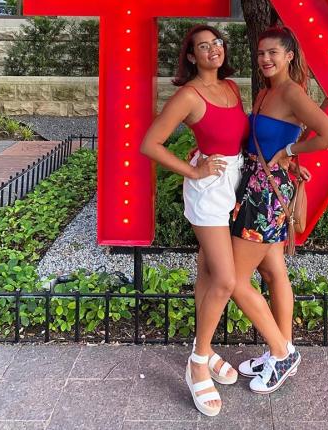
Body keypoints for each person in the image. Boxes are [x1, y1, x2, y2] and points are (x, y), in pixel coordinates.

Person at [140, 25, 249, 417]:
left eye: (216, 43)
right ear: (190, 56)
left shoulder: (232, 88)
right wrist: (195, 171)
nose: (212, 50)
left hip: (234, 185)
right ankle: (199, 361)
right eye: (202, 46)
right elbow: (149, 144)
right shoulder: (188, 95)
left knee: (207, 271)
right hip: (208, 192)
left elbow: (235, 138)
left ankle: (203, 347)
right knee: (225, 279)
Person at [230, 26, 328, 394]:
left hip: (266, 194)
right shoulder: (265, 92)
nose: (265, 58)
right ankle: (284, 350)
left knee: (232, 280)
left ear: (289, 56)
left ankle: (282, 353)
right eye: (261, 52)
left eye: (273, 53)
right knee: (274, 271)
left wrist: (291, 154)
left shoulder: (291, 92)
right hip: (257, 184)